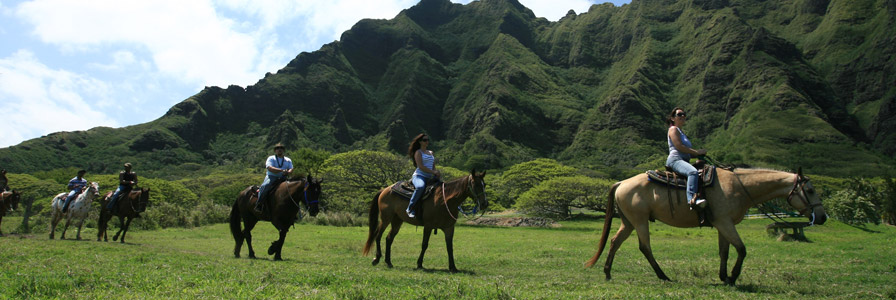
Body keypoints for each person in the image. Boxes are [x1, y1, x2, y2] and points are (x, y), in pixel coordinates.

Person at [666, 107, 707, 209]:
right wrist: (697, 152)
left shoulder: (681, 132)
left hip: (684, 160)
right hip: (675, 160)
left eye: (684, 114)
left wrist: (699, 154)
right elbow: (679, 146)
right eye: (679, 114)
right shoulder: (673, 129)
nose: (683, 116)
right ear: (672, 118)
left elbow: (687, 151)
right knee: (692, 172)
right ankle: (691, 200)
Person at [406, 133, 440, 218]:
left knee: (444, 188)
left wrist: (436, 172)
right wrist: (433, 172)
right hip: (419, 176)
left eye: (428, 140)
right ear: (420, 142)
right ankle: (410, 208)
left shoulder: (431, 152)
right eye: (425, 140)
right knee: (420, 187)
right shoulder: (418, 152)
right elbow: (421, 167)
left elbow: (433, 166)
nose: (427, 142)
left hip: (430, 177)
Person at [254, 143, 293, 214]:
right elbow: (270, 168)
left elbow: (291, 168)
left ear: (283, 150)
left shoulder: (288, 160)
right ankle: (259, 204)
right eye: (277, 148)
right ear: (275, 150)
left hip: (284, 177)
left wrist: (288, 172)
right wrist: (281, 170)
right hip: (272, 177)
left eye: (281, 148)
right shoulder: (271, 158)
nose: (279, 149)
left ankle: (295, 211)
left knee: (294, 189)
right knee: (265, 186)